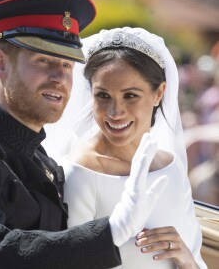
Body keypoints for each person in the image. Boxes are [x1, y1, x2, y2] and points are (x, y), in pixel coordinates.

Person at [0, 0, 168, 269]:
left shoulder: (42, 162)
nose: (60, 77)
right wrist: (111, 232)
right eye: (43, 61)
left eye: (66, 64)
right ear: (0, 64)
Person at [44, 27, 207, 268]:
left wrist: (186, 259)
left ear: (159, 93)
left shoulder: (170, 166)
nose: (115, 112)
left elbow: (194, 256)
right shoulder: (79, 172)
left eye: (130, 96)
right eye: (103, 96)